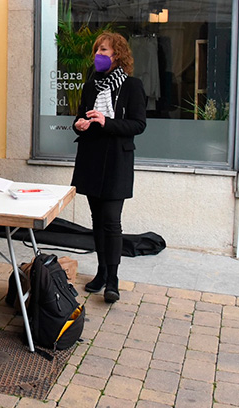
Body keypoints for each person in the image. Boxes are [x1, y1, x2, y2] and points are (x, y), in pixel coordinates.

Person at [71, 32, 146, 304]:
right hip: (91, 159)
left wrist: (106, 122)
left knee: (112, 222)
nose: (98, 56)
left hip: (117, 161)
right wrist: (79, 123)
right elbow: (81, 115)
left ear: (118, 55)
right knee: (97, 221)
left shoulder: (132, 86)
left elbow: (138, 124)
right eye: (97, 50)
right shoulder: (91, 85)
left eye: (104, 51)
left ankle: (112, 280)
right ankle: (101, 272)